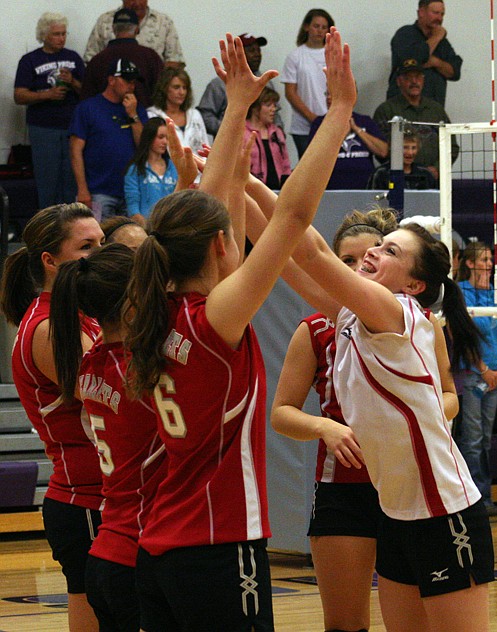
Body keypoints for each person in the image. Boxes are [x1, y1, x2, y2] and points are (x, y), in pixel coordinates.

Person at [124, 28, 356, 631]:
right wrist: (338, 112)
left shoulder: (156, 310)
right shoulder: (215, 321)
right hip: (217, 544)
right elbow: (295, 216)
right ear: (221, 249)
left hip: (160, 544)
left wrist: (233, 108)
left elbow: (214, 203)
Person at [284, 219, 494, 630]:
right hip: (395, 514)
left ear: (413, 285)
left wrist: (248, 180)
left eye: (391, 251)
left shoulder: (397, 313)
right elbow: (289, 256)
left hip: (443, 511)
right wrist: (240, 189)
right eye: (380, 244)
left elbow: (308, 250)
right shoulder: (349, 318)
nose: (373, 252)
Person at [272, 207, 397, 632]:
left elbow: (448, 396)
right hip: (343, 490)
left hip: (407, 486)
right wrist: (325, 426)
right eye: (346, 261)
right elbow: (282, 413)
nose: (358, 271)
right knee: (345, 624)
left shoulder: (412, 325)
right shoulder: (315, 329)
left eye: (368, 259)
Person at [50, 243, 168, 632]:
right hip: (138, 551)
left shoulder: (91, 361)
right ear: (135, 298)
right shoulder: (142, 372)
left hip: (106, 550)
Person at [0, 203, 105, 632]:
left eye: (103, 242)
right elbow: (110, 398)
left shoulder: (83, 314)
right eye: (87, 246)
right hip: (85, 497)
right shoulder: (48, 328)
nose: (101, 253)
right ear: (50, 260)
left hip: (108, 493)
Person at [13, 12, 85, 208]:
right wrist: (47, 95)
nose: (61, 38)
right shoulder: (30, 60)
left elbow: (87, 93)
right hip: (43, 127)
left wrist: (73, 82)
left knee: (70, 180)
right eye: (56, 34)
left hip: (72, 127)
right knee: (47, 179)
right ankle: (47, 226)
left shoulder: (73, 58)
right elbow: (19, 95)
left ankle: (70, 226)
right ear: (44, 35)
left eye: (63, 34)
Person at [69, 58, 148, 221]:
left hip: (132, 191)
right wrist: (82, 188)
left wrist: (133, 114)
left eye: (133, 82)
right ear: (111, 80)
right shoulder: (88, 108)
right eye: (126, 81)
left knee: (130, 241)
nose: (131, 87)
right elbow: (75, 150)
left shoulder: (137, 109)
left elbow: (144, 146)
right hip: (98, 190)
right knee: (100, 240)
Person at [457, 242, 497, 516]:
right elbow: (464, 336)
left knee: (484, 438)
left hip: (495, 376)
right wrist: (483, 368)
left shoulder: (495, 291)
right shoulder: (463, 292)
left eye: (490, 259)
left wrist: (495, 372)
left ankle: (484, 498)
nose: (489, 264)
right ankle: (472, 500)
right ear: (470, 263)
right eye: (483, 259)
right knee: (472, 438)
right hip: (473, 373)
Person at [374, 57, 459, 180]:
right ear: (399, 81)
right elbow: (381, 149)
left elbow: (452, 146)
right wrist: (406, 169)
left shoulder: (436, 110)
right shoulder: (386, 111)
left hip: (434, 181)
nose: (414, 81)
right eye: (408, 77)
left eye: (418, 76)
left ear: (423, 80)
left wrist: (437, 168)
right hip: (398, 179)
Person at [197, 33, 283, 138]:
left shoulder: (265, 81)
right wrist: (229, 130)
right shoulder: (219, 84)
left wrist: (278, 132)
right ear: (238, 55)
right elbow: (205, 116)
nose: (257, 54)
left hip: (264, 144)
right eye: (251, 51)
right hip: (231, 144)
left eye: (258, 50)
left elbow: (276, 113)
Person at [80, 8, 164, 107]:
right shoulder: (151, 57)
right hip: (143, 120)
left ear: (113, 29)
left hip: (104, 120)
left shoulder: (97, 61)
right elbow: (162, 95)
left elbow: (86, 100)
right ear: (137, 29)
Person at [281, 9, 335, 158]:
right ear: (306, 27)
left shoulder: (334, 55)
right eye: (316, 26)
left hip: (330, 123)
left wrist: (330, 118)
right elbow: (290, 92)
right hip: (303, 127)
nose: (320, 31)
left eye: (324, 27)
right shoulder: (295, 56)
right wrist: (313, 118)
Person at [387, 0, 462, 106]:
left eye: (442, 14)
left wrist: (435, 62)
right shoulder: (405, 34)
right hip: (402, 109)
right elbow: (416, 60)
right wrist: (436, 37)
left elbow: (455, 72)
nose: (439, 18)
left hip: (433, 109)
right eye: (435, 13)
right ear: (421, 12)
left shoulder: (443, 43)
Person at [309, 89, 388, 189]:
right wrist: (341, 136)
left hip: (364, 187)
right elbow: (314, 157)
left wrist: (357, 129)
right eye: (327, 94)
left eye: (333, 94)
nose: (328, 97)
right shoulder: (319, 123)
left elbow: (383, 151)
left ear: (350, 96)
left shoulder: (365, 121)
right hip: (332, 187)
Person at [84, 0, 184, 68]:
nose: (136, 3)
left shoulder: (164, 23)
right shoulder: (105, 21)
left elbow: (176, 62)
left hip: (152, 92)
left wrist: (150, 71)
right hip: (111, 89)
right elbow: (90, 60)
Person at [124, 117, 178, 227]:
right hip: (145, 227)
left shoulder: (174, 167)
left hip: (171, 227)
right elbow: (133, 206)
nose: (165, 142)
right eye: (161, 137)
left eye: (167, 138)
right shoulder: (135, 169)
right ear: (149, 137)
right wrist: (146, 229)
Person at [147, 68, 208, 155]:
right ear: (164, 89)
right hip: (168, 168)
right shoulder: (152, 116)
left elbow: (206, 147)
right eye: (176, 87)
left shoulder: (195, 115)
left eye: (184, 88)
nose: (182, 92)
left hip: (198, 167)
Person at [244, 87, 291, 189]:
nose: (273, 109)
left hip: (278, 190)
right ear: (255, 108)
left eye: (274, 105)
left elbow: (286, 164)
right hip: (251, 190)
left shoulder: (277, 132)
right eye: (268, 105)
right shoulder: (242, 133)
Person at [369, 127, 438, 189]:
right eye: (405, 147)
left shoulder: (425, 173)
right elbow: (371, 201)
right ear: (394, 148)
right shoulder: (380, 173)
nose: (410, 152)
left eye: (413, 148)